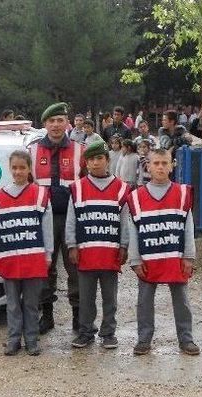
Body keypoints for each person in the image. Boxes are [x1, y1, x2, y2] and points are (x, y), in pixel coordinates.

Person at [0, 150, 53, 356]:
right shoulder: (0, 196)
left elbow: (47, 228)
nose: (18, 171)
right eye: (14, 168)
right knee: (12, 304)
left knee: (30, 303)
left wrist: (48, 255)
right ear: (10, 169)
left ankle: (32, 340)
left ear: (29, 168)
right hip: (9, 258)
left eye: (22, 167)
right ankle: (13, 340)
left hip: (33, 258)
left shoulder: (40, 193)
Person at [127, 148, 199, 356]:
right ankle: (144, 339)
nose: (160, 167)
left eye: (164, 163)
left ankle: (186, 339)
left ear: (172, 165)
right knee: (144, 301)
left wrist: (189, 256)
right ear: (147, 166)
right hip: (148, 258)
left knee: (181, 300)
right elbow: (132, 229)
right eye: (156, 163)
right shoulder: (136, 197)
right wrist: (135, 259)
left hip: (175, 257)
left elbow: (188, 226)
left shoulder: (183, 193)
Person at [65, 141, 131, 349]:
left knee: (109, 297)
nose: (95, 163)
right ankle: (86, 331)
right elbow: (71, 219)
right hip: (86, 252)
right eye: (91, 159)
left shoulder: (121, 188)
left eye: (99, 158)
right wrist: (71, 245)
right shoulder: (77, 188)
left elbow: (124, 220)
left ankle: (108, 332)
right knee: (86, 298)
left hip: (110, 252)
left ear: (107, 160)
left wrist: (124, 245)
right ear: (86, 162)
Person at [28, 102, 86, 333]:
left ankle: (77, 316)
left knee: (75, 266)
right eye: (51, 121)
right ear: (45, 124)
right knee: (45, 268)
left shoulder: (80, 150)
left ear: (66, 123)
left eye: (60, 120)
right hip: (44, 219)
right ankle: (47, 316)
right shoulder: (31, 151)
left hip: (72, 218)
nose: (55, 125)